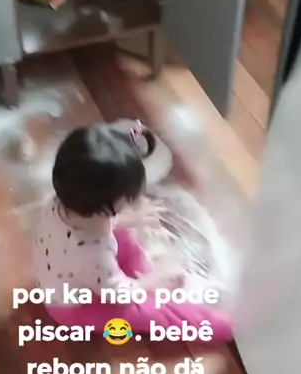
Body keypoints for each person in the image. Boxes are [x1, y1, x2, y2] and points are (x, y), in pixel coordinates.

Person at [33, 122, 233, 341]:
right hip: (76, 310)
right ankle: (228, 327)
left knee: (122, 234)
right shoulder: (92, 253)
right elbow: (117, 294)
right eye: (126, 200)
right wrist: (152, 282)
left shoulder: (59, 203)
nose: (130, 202)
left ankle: (137, 272)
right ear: (105, 205)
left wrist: (128, 219)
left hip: (72, 276)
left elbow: (89, 231)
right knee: (152, 312)